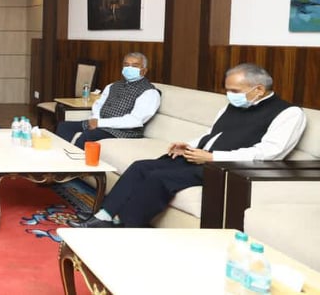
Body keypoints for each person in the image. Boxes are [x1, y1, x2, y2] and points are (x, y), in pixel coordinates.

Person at [70, 63, 307, 228]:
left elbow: (269, 153)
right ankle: (104, 215)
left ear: (259, 90)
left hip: (228, 170)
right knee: (141, 166)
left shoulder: (289, 114)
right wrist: (189, 146)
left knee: (158, 178)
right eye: (227, 90)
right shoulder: (236, 104)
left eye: (234, 91)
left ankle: (125, 224)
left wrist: (213, 158)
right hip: (201, 157)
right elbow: (213, 134)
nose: (229, 95)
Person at [55, 52, 161, 148]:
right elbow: (98, 104)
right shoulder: (112, 86)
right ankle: (59, 157)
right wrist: (95, 119)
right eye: (126, 65)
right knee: (64, 126)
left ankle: (73, 163)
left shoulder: (150, 92)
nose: (129, 68)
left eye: (135, 66)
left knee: (88, 136)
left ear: (144, 71)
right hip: (100, 124)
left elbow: (134, 120)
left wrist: (100, 123)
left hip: (123, 131)